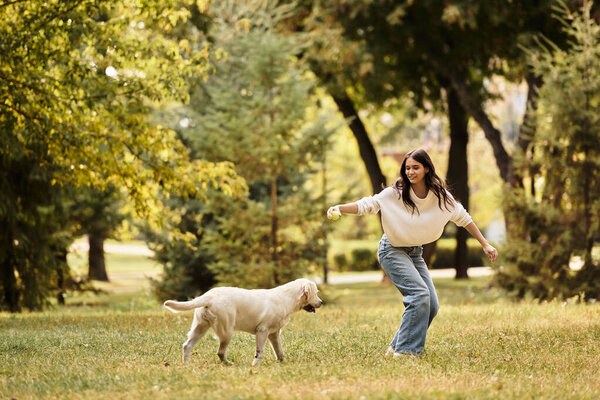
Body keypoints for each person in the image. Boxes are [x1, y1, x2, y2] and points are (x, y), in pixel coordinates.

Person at [327, 149, 497, 357]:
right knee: (419, 295)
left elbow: (464, 218)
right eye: (407, 168)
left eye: (415, 167)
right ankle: (406, 352)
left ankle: (395, 347)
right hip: (391, 250)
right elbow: (368, 204)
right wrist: (340, 208)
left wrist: (485, 244)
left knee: (431, 305)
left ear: (426, 169)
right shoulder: (395, 193)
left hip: (415, 253)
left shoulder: (441, 197)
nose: (410, 172)